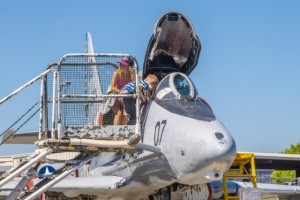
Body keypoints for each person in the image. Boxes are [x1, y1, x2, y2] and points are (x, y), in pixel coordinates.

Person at [109, 57, 135, 125]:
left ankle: (122, 133)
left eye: (124, 65)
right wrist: (121, 92)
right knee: (119, 113)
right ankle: (115, 134)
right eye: (121, 64)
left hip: (126, 97)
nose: (121, 66)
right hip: (115, 96)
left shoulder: (133, 76)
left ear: (129, 67)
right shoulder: (117, 73)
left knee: (125, 114)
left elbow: (134, 87)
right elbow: (112, 87)